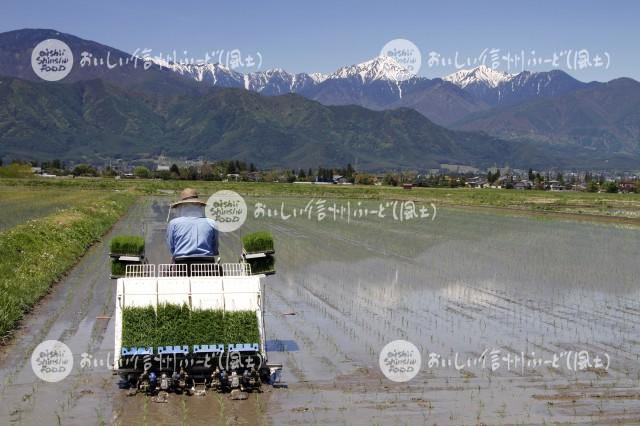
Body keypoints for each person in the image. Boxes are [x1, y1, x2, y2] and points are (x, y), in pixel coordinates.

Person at [166, 188, 219, 262]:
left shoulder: (173, 223)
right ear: (199, 206)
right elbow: (215, 247)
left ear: (181, 206)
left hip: (181, 263)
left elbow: (171, 247)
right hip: (207, 264)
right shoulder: (211, 223)